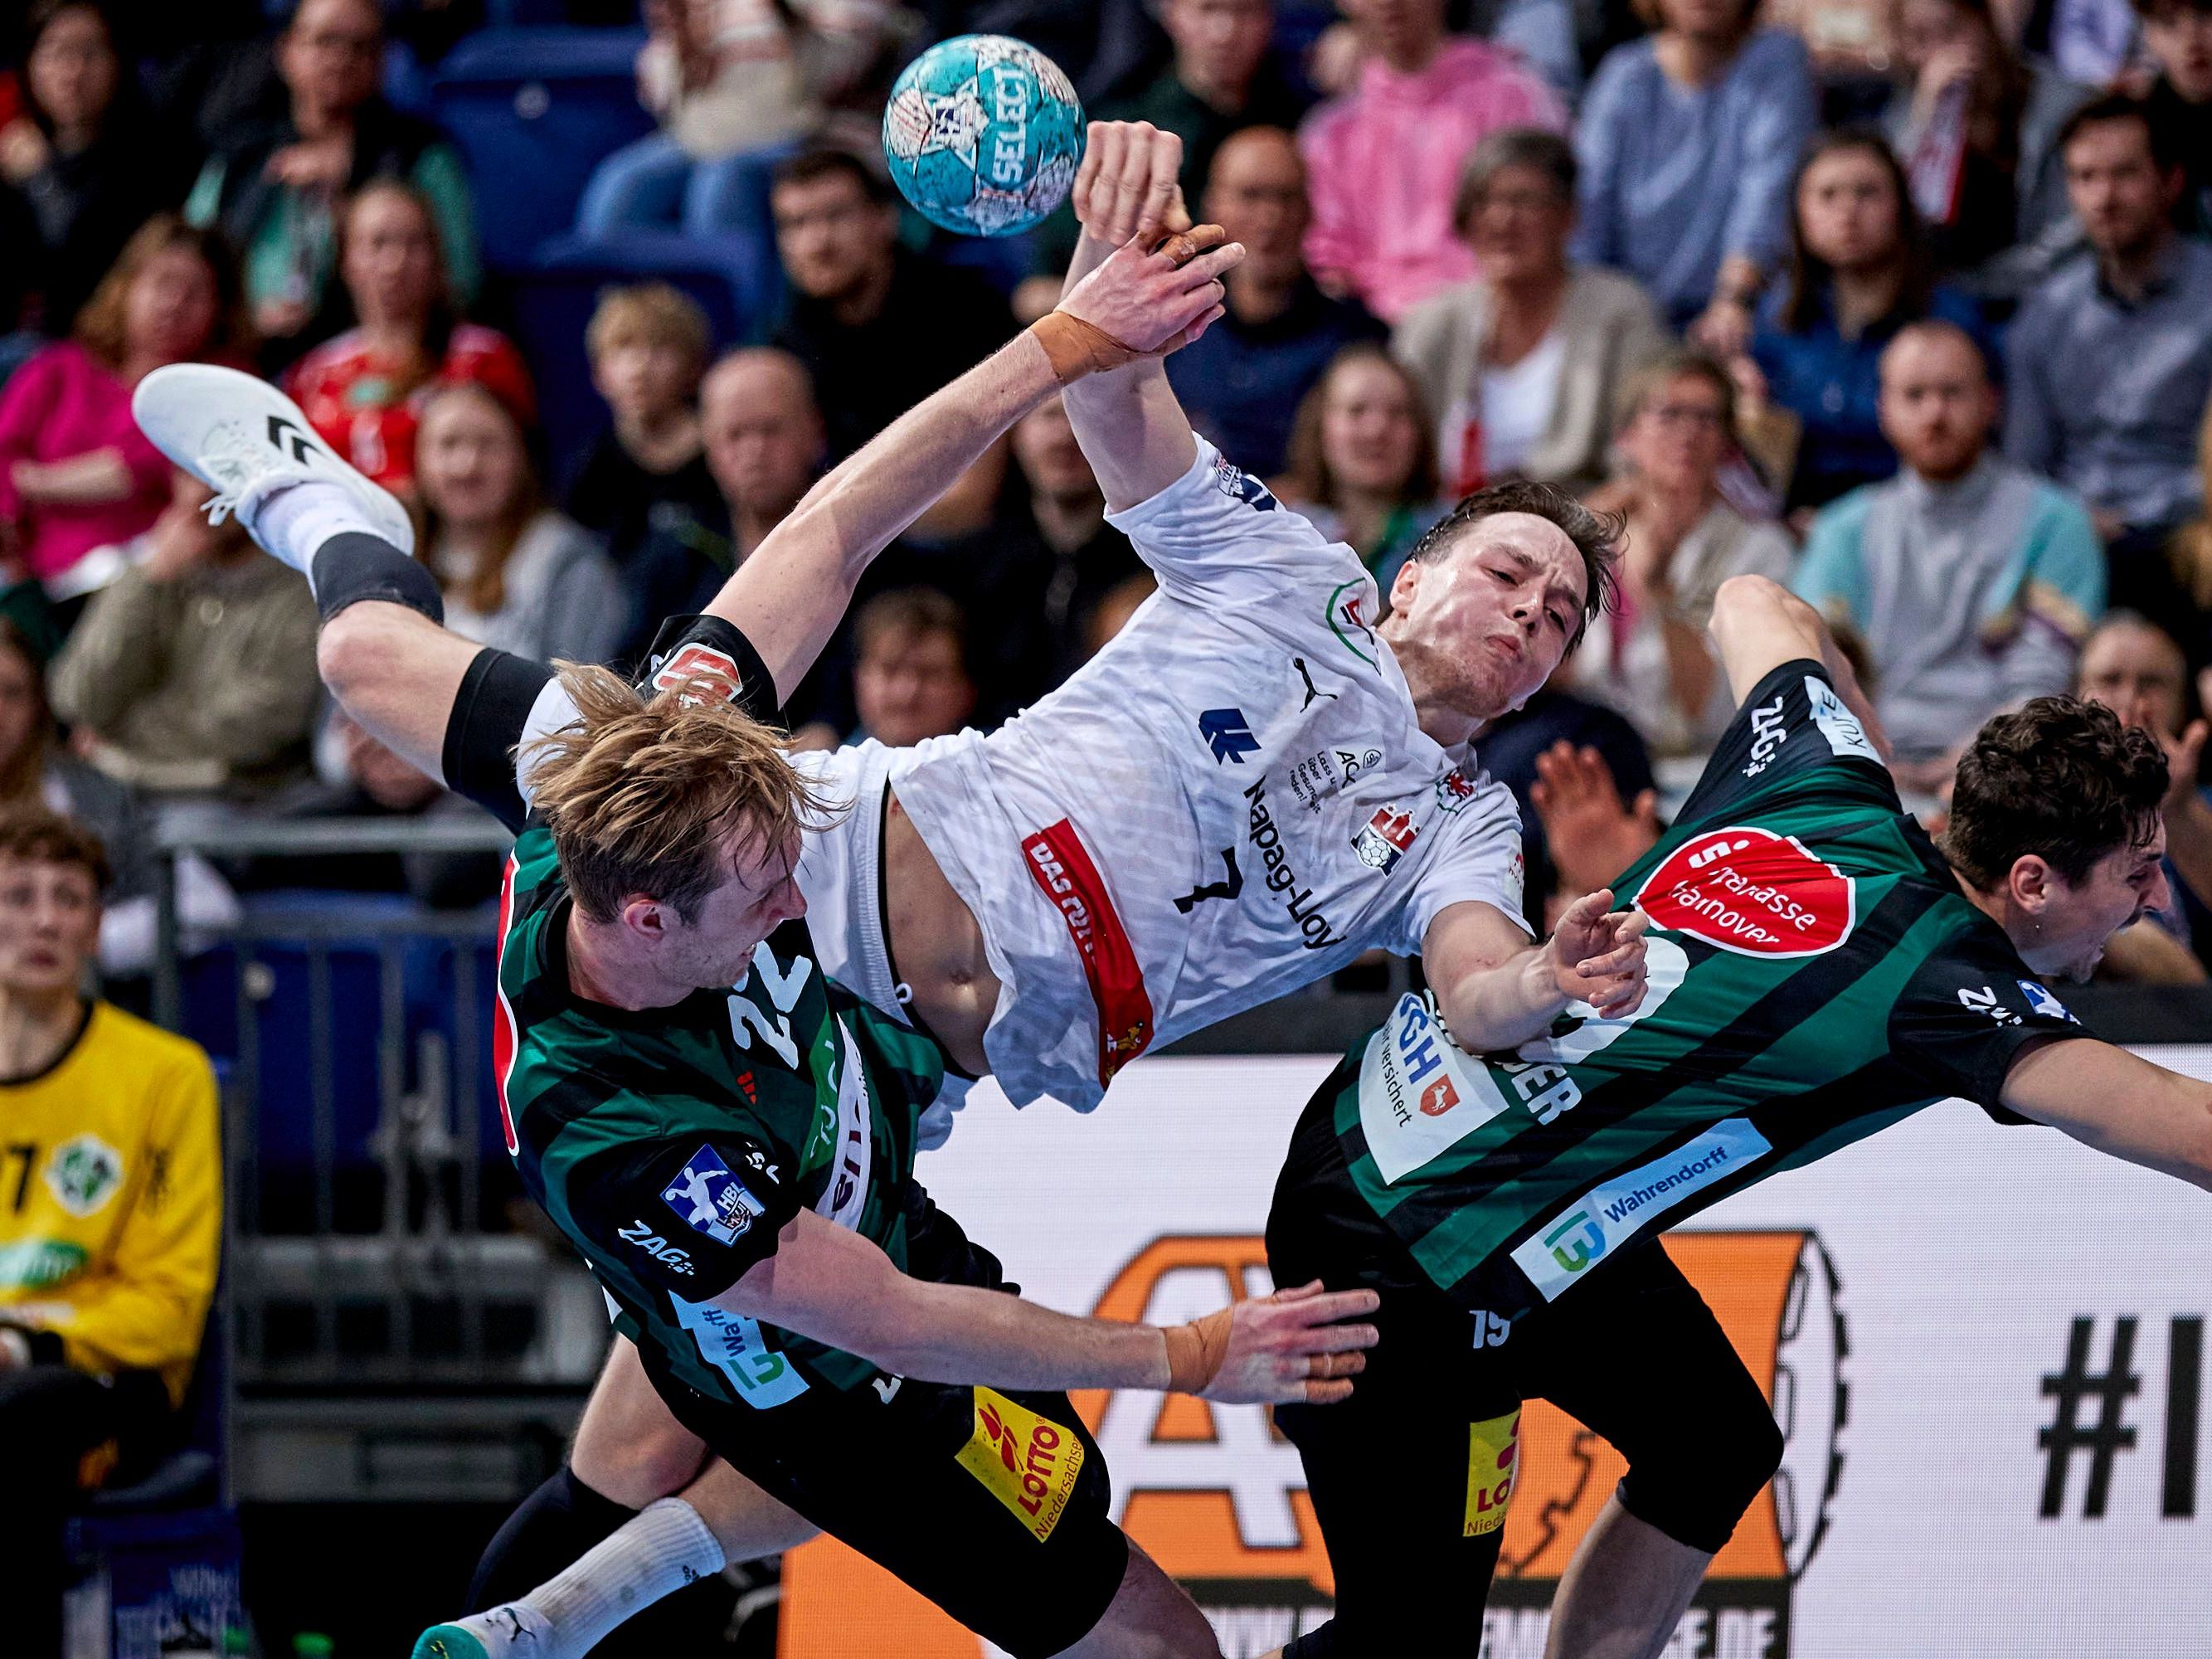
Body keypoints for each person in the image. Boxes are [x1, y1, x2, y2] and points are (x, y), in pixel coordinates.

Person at [362, 120, 1652, 1659]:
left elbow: (1474, 979)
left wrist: (1554, 978)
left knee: (696, 1420)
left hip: (909, 1062)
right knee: (389, 673)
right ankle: (334, 525)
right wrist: (1116, 242)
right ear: (1414, 572)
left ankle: (539, 1620)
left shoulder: (1459, 816)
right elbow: (1114, 391)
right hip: (804, 866)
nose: (1529, 612)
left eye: (1560, 615)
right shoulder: (1286, 571)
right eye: (1508, 571)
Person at [137, 216, 1387, 1659]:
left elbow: (837, 523)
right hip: (800, 1339)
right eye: (770, 899)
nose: (808, 900)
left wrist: (1062, 347)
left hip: (802, 1138)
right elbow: (892, 1324)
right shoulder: (618, 1127)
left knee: (361, 653)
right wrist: (1183, 1356)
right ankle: (556, 1613)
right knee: (1106, 1607)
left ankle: (324, 509)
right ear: (658, 920)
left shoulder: (664, 779)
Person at [1259, 572, 2212, 1657]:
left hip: (1422, 1137)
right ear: (2030, 882)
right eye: (2135, 872)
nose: (2151, 898)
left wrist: (1846, 707)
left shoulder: (1823, 770)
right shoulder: (1942, 989)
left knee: (1708, 1442)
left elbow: (1750, 596)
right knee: (1405, 1648)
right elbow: (2187, 1128)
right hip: (1416, 1237)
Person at [0, 807, 221, 1659]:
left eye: (68, 899)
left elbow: (169, 1307)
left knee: (17, 1417)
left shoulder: (165, 1075)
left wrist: (22, 1342)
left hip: (101, 1385)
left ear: (97, 925)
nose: (45, 919)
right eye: (17, 896)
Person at [1796, 319, 2105, 794]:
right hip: (1865, 767)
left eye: (1952, 393)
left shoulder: (2058, 521)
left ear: (1991, 403)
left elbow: (2045, 676)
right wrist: (1862, 760)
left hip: (2013, 772)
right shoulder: (1841, 529)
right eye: (1915, 395)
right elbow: (1816, 675)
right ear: (1883, 409)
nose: (1935, 414)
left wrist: (1981, 759)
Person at [182, 0, 478, 355]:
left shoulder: (421, 157)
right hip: (242, 358)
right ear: (286, 51)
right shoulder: (239, 154)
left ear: (383, 60)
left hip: (376, 365)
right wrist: (246, 322)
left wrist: (346, 201)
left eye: (360, 45)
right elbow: (188, 262)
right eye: (325, 40)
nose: (341, 57)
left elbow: (460, 285)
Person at [1393, 127, 1670, 501]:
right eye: (1484, 202)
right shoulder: (1430, 324)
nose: (1502, 219)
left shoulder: (1620, 314)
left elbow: (1642, 459)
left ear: (1567, 216)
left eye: (1524, 201)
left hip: (1582, 520)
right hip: (1444, 528)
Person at [2005, 93, 2212, 577]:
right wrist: (2071, 520)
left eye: (2124, 174)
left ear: (2171, 181)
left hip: (2189, 533)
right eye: (2085, 177)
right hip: (2072, 539)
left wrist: (2149, 513)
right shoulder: (2048, 310)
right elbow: (2026, 465)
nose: (2104, 197)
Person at [0, 216, 246, 591]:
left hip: (147, 578)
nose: (174, 304)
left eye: (195, 292)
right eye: (163, 283)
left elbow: (138, 468)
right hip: (33, 575)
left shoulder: (220, 384)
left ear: (219, 310)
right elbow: (4, 454)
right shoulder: (57, 368)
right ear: (127, 286)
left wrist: (32, 481)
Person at [1748, 128, 1989, 513]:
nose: (1848, 212)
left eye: (1867, 193)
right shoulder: (1776, 319)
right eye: (1827, 195)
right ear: (1800, 215)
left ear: (1900, 207)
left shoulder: (1949, 319)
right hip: (1796, 522)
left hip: (1924, 518)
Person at [767, 146, 1014, 519]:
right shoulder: (789, 342)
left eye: (835, 217)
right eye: (796, 224)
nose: (818, 244)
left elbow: (972, 501)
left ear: (885, 219)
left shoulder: (963, 310)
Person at [1573, 353, 1796, 758]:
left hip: (1704, 762)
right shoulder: (1589, 536)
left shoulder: (1760, 550)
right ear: (1626, 435)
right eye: (1669, 414)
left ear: (1727, 441)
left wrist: (1660, 596)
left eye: (1706, 418)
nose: (1688, 433)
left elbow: (1722, 710)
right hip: (1587, 745)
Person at [49, 469, 323, 797]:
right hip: (116, 784)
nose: (200, 496)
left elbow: (264, 722)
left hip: (234, 799)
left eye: (221, 476)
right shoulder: (160, 574)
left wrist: (120, 734)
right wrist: (148, 580)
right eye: (187, 473)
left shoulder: (300, 587)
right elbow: (80, 699)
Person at [1297, 0, 1567, 324]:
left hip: (1492, 322)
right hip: (1372, 334)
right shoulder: (1330, 132)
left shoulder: (1515, 97)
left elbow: (1544, 227)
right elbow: (1332, 260)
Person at [1573, 0, 1817, 344]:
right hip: (1626, 313)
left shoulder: (1777, 60)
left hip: (1746, 312)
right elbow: (1589, 204)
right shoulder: (1624, 75)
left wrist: (1733, 300)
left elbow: (1768, 187)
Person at [576, 0, 897, 249]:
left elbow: (839, 71)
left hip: (809, 133)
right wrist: (685, 50)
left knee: (720, 184)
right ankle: (618, 327)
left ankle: (743, 327)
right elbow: (657, 85)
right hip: (705, 136)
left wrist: (787, 19)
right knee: (619, 184)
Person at [281, 180, 533, 497]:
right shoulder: (311, 374)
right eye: (377, 244)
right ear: (346, 261)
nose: (394, 263)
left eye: (413, 244)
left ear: (436, 258)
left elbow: (519, 478)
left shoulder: (483, 359)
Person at [1163, 126, 1385, 479]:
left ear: (1311, 210)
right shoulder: (1168, 327)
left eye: (1286, 197)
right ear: (1211, 205)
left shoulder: (1356, 338)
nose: (1271, 219)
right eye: (1250, 196)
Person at [0, 0, 200, 340]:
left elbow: (78, 268)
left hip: (99, 347)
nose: (73, 71)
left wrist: (41, 180)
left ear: (118, 62)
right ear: (29, 64)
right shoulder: (13, 152)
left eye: (90, 52)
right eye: (56, 52)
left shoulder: (153, 161)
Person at [938, 393, 1145, 720]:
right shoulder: (974, 564)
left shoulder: (1151, 562)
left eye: (1082, 416)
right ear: (1015, 434)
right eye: (1050, 416)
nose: (1065, 436)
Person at [619, 347, 825, 661]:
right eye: (735, 435)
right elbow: (630, 677)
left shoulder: (864, 547)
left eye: (770, 429)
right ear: (709, 448)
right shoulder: (673, 557)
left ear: (815, 432)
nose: (755, 450)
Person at [412, 384, 627, 666]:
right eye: (448, 443)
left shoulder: (570, 565)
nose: (466, 466)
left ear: (523, 456)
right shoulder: (393, 559)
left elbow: (578, 701)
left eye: (488, 444)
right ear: (418, 458)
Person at [1882, 0, 2091, 286]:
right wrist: (1922, 126)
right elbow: (1890, 219)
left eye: (1950, 30)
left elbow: (2073, 228)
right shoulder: (1907, 117)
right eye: (1920, 39)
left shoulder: (2061, 108)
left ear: (1985, 26)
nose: (1942, 54)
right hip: (1945, 298)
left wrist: (1993, 285)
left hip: (2047, 289)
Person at [2072, 609, 2211, 979]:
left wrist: (2177, 811)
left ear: (2183, 703)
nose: (2130, 697)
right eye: (2110, 679)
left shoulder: (2202, 809)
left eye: (2152, 682)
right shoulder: (2022, 803)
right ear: (2072, 693)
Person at [562, 284, 725, 574]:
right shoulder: (591, 465)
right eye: (624, 348)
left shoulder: (723, 456)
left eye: (661, 348)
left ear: (694, 366)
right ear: (599, 373)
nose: (640, 367)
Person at [1273, 343, 1449, 591]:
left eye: (1397, 413)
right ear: (1320, 427)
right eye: (1356, 411)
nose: (1376, 430)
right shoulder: (1282, 534)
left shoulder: (1456, 537)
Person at [847, 587, 979, 748]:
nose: (907, 693)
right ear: (858, 679)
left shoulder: (1006, 769)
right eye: (890, 670)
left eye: (930, 674)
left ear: (966, 690)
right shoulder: (816, 767)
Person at [2131, 0, 2212, 234]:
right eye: (2169, 22)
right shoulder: (2137, 130)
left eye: (2205, 15)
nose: (2192, 40)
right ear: (2148, 36)